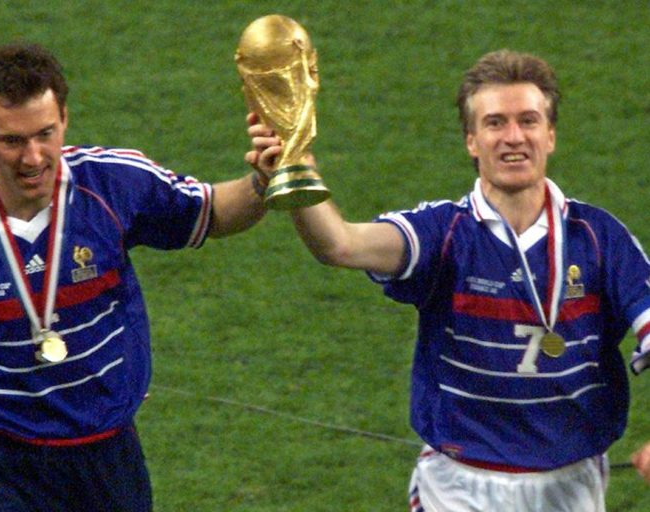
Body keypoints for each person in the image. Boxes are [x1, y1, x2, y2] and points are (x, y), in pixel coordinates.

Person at [0, 43, 272, 511]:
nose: (33, 157)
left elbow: (212, 212)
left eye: (46, 134)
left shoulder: (112, 183)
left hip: (105, 450)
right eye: (12, 141)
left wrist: (264, 183)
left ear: (64, 118)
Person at [246, 49, 650, 511]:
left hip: (571, 486)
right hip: (458, 487)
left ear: (551, 135)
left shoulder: (599, 238)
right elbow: (340, 245)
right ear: (472, 141)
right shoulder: (445, 233)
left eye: (528, 121)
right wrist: (295, 169)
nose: (513, 137)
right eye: (495, 123)